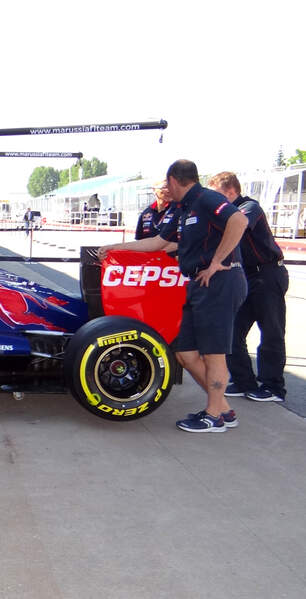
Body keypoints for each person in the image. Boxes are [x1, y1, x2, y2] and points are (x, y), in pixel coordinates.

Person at [97, 159, 248, 433]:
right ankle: (224, 409)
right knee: (185, 353)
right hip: (197, 284)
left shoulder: (206, 198)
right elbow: (159, 242)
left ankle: (213, 416)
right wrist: (113, 247)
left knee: (214, 353)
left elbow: (239, 220)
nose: (166, 188)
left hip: (220, 281)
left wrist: (216, 261)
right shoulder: (183, 207)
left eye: (167, 183)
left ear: (174, 181)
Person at [208, 171, 287, 402]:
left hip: (268, 274)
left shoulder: (249, 208)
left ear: (231, 192)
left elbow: (237, 226)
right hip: (246, 276)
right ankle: (244, 381)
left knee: (271, 331)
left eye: (218, 195)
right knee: (233, 331)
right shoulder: (226, 212)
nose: (215, 201)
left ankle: (273, 387)